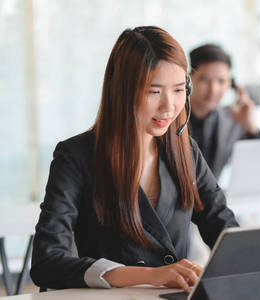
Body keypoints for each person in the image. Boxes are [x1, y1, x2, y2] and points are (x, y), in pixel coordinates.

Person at [30, 26, 239, 291]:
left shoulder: (186, 152)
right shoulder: (76, 157)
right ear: (122, 91)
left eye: (177, 90)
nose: (169, 106)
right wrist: (150, 275)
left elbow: (224, 228)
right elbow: (47, 261)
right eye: (154, 92)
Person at [188, 44, 260, 179]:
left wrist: (249, 126)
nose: (213, 90)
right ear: (189, 78)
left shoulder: (233, 120)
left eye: (221, 81)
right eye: (205, 80)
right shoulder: (170, 118)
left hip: (214, 199)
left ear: (230, 84)